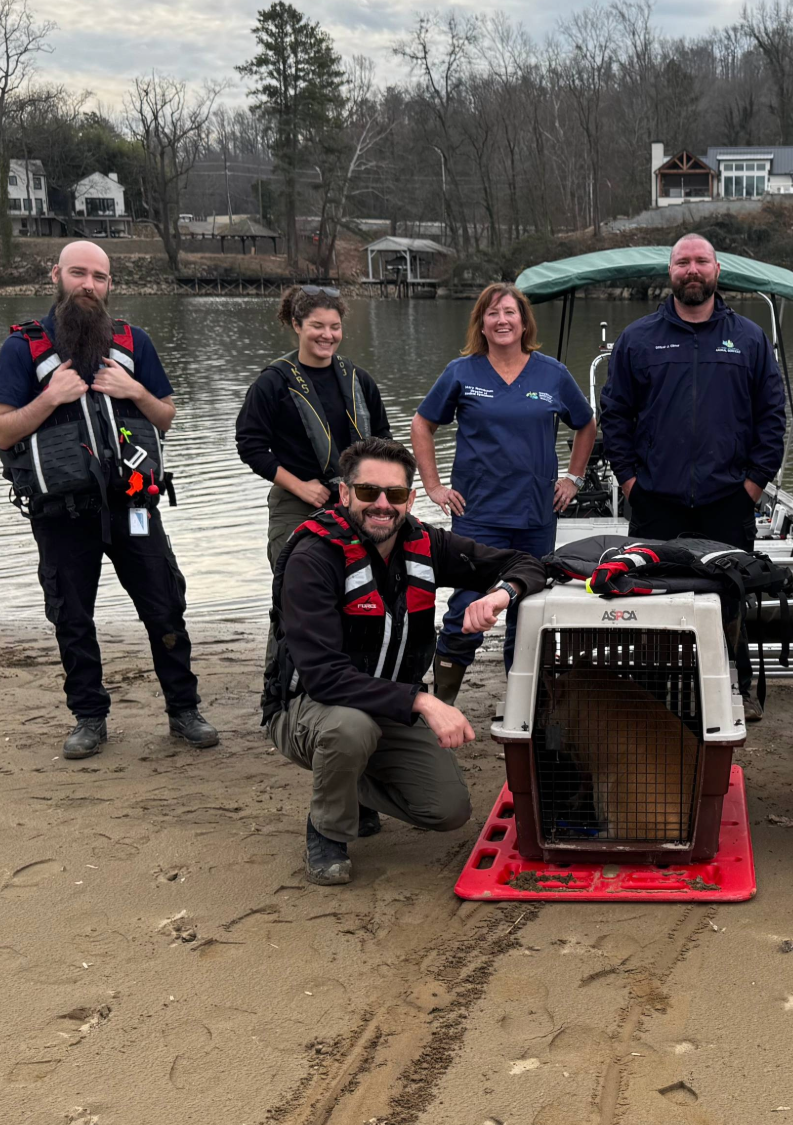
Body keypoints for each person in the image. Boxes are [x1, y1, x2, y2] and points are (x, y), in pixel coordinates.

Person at [263, 438, 549, 885]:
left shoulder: (425, 543)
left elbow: (526, 561)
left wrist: (501, 594)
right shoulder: (313, 557)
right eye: (368, 492)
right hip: (308, 708)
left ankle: (350, 784)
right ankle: (327, 829)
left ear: (410, 499)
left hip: (388, 706)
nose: (382, 504)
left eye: (395, 495)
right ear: (344, 494)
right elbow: (323, 676)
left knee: (447, 810)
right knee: (349, 728)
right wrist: (424, 701)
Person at [0, 240, 218, 759]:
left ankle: (184, 710)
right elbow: (0, 430)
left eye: (100, 277)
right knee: (72, 616)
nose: (89, 285)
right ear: (57, 277)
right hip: (61, 513)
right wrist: (50, 398)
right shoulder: (22, 348)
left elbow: (166, 417)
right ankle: (89, 717)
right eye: (79, 274)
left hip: (134, 503)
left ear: (110, 285)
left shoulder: (134, 343)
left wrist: (133, 391)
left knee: (164, 607)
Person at [412, 283, 596, 703]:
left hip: (536, 514)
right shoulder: (462, 372)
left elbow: (586, 424)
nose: (502, 320)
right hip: (478, 515)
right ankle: (442, 705)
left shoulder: (552, 373)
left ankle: (523, 706)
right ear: (481, 322)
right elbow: (422, 424)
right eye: (492, 313)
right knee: (466, 608)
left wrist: (574, 478)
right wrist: (434, 486)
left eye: (510, 312)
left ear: (524, 321)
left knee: (528, 607)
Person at [599, 232, 787, 552]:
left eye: (701, 261)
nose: (692, 270)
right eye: (683, 262)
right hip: (654, 505)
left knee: (726, 599)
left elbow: (771, 417)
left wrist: (752, 488)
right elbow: (615, 415)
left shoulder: (750, 339)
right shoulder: (637, 339)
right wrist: (631, 485)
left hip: (729, 504)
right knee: (655, 599)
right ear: (670, 270)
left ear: (717, 269)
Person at [236, 285, 391, 565]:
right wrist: (300, 487)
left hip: (357, 501)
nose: (327, 335)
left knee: (367, 593)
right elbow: (251, 447)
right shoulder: (272, 383)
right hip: (299, 502)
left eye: (335, 327)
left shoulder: (360, 379)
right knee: (299, 589)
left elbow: (383, 439)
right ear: (297, 325)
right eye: (317, 326)